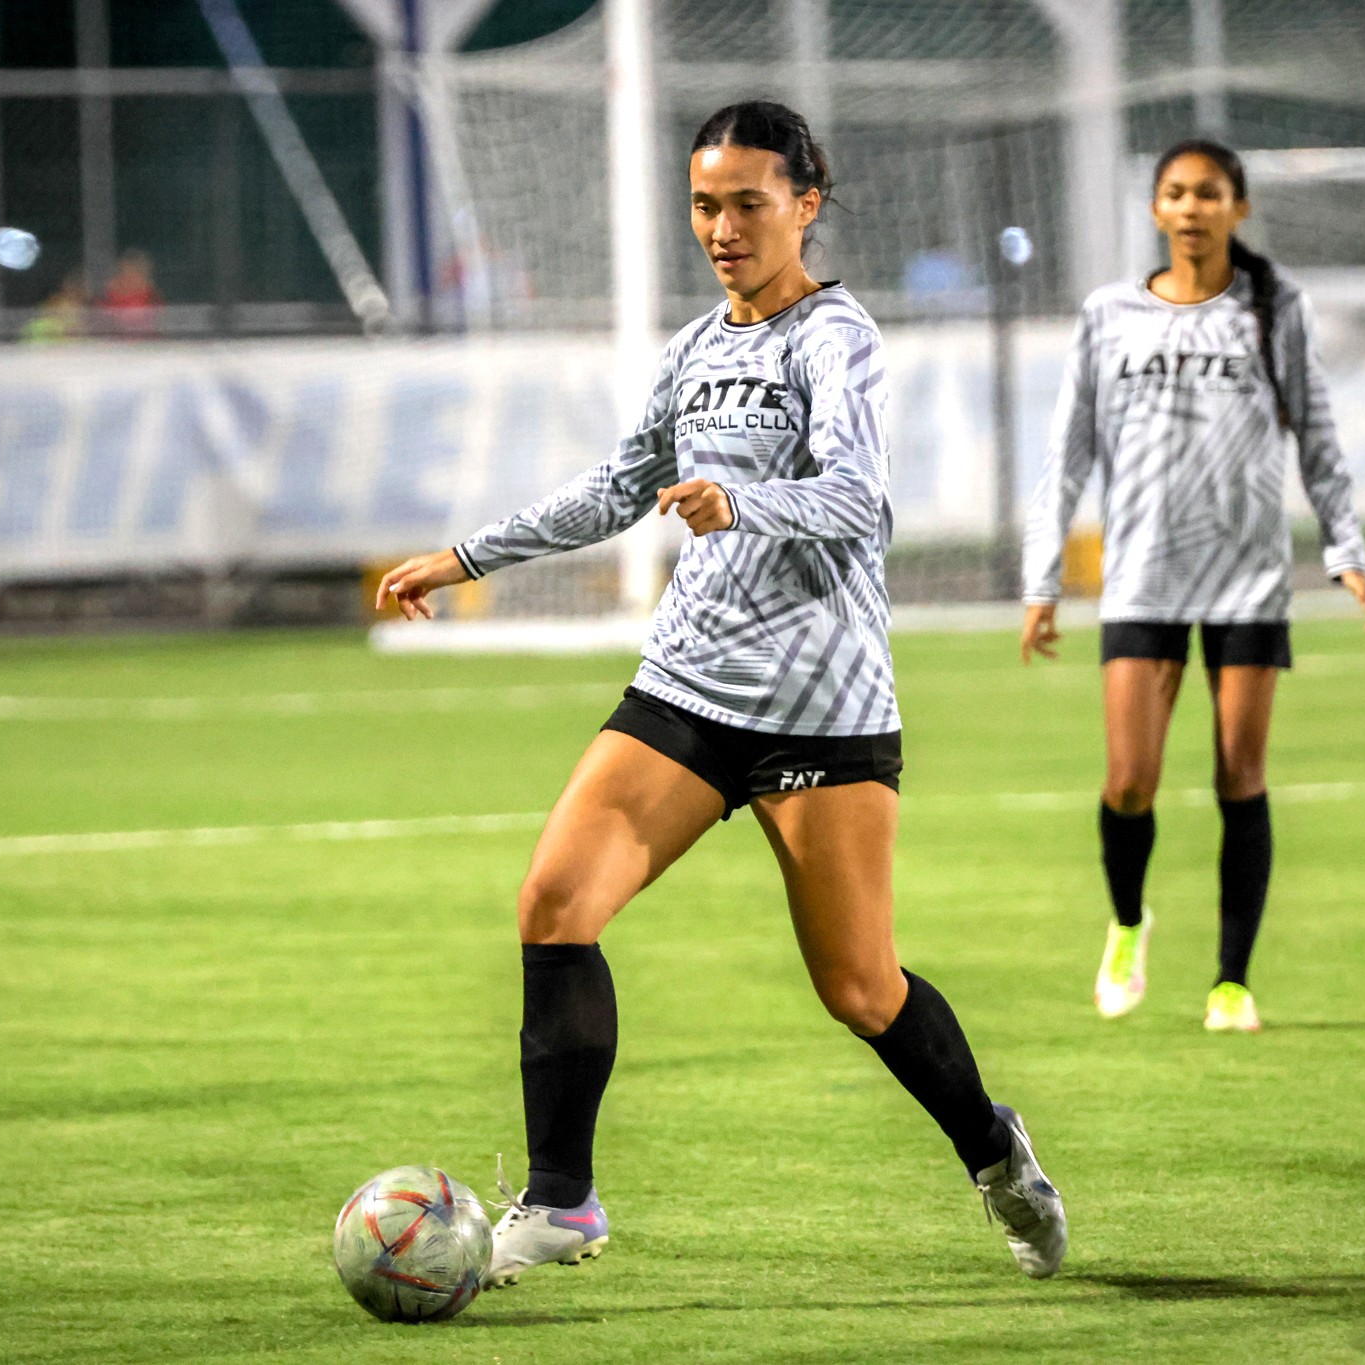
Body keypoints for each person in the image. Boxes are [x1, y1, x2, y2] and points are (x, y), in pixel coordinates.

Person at [373, 101, 1068, 1289]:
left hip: (821, 707)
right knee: (553, 902)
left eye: (748, 202)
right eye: (705, 203)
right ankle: (562, 1202)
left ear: (806, 202)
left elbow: (860, 501)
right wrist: (465, 556)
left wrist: (743, 502)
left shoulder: (836, 340)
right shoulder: (697, 348)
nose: (723, 226)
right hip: (689, 686)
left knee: (858, 986)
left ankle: (994, 1150)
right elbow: (615, 487)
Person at [1020, 139, 1365, 1030]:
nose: (1192, 208)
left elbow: (1321, 442)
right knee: (1129, 780)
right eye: (1177, 193)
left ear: (1240, 208)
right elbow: (1067, 451)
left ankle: (1232, 980)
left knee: (1240, 775)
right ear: (1155, 210)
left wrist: (1347, 552)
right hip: (1143, 574)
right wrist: (1043, 579)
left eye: (1211, 193)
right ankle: (1125, 921)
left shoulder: (1275, 308)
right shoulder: (1109, 314)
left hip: (1249, 577)